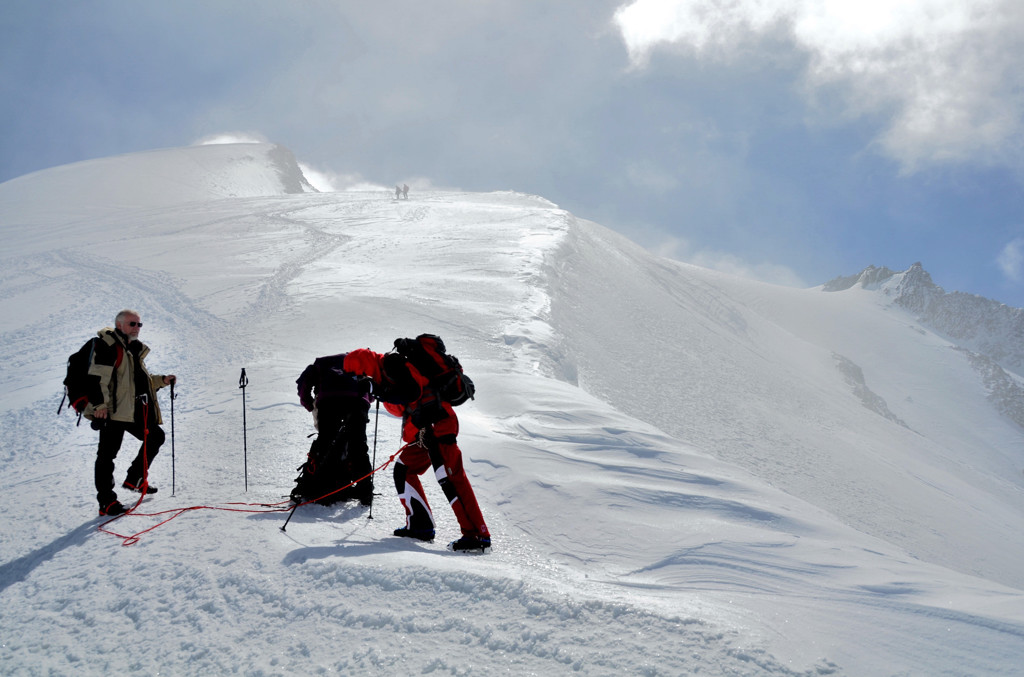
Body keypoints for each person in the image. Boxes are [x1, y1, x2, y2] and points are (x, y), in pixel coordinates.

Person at [343, 344, 491, 553]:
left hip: (438, 424)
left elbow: (411, 391)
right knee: (404, 469)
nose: (358, 379)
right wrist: (379, 390)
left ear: (362, 366)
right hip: (425, 431)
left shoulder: (391, 364)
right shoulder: (384, 376)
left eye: (357, 374)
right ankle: (420, 526)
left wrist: (378, 390)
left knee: (450, 478)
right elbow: (405, 401)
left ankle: (476, 535)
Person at [85, 310, 175, 516]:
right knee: (107, 456)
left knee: (156, 436)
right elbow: (96, 378)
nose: (137, 328)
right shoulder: (108, 346)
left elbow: (137, 382)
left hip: (130, 411)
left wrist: (162, 380)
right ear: (119, 325)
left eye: (139, 324)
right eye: (132, 324)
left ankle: (135, 478)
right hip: (111, 412)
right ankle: (106, 502)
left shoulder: (132, 349)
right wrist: (99, 406)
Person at [292, 353, 374, 506]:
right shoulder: (360, 363)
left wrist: (309, 404)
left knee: (326, 442)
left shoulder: (320, 363)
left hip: (329, 400)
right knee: (358, 445)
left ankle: (322, 489)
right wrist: (366, 401)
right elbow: (373, 387)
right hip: (358, 401)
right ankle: (365, 491)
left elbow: (303, 385)